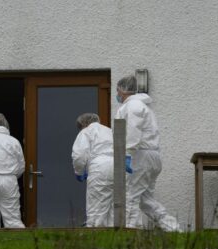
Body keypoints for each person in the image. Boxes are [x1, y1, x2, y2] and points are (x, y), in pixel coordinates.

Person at [115, 75, 180, 231]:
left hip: (140, 156)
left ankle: (129, 229)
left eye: (117, 91)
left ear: (122, 90)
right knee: (146, 200)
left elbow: (132, 130)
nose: (117, 94)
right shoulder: (142, 107)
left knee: (130, 194)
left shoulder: (133, 107)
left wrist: (128, 154)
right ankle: (173, 228)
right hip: (151, 156)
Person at [71, 113, 114, 227]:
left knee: (96, 206)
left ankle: (94, 236)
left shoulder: (86, 132)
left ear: (83, 124)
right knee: (112, 208)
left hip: (99, 168)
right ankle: (113, 238)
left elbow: (79, 156)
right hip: (118, 166)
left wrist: (79, 172)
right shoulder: (109, 131)